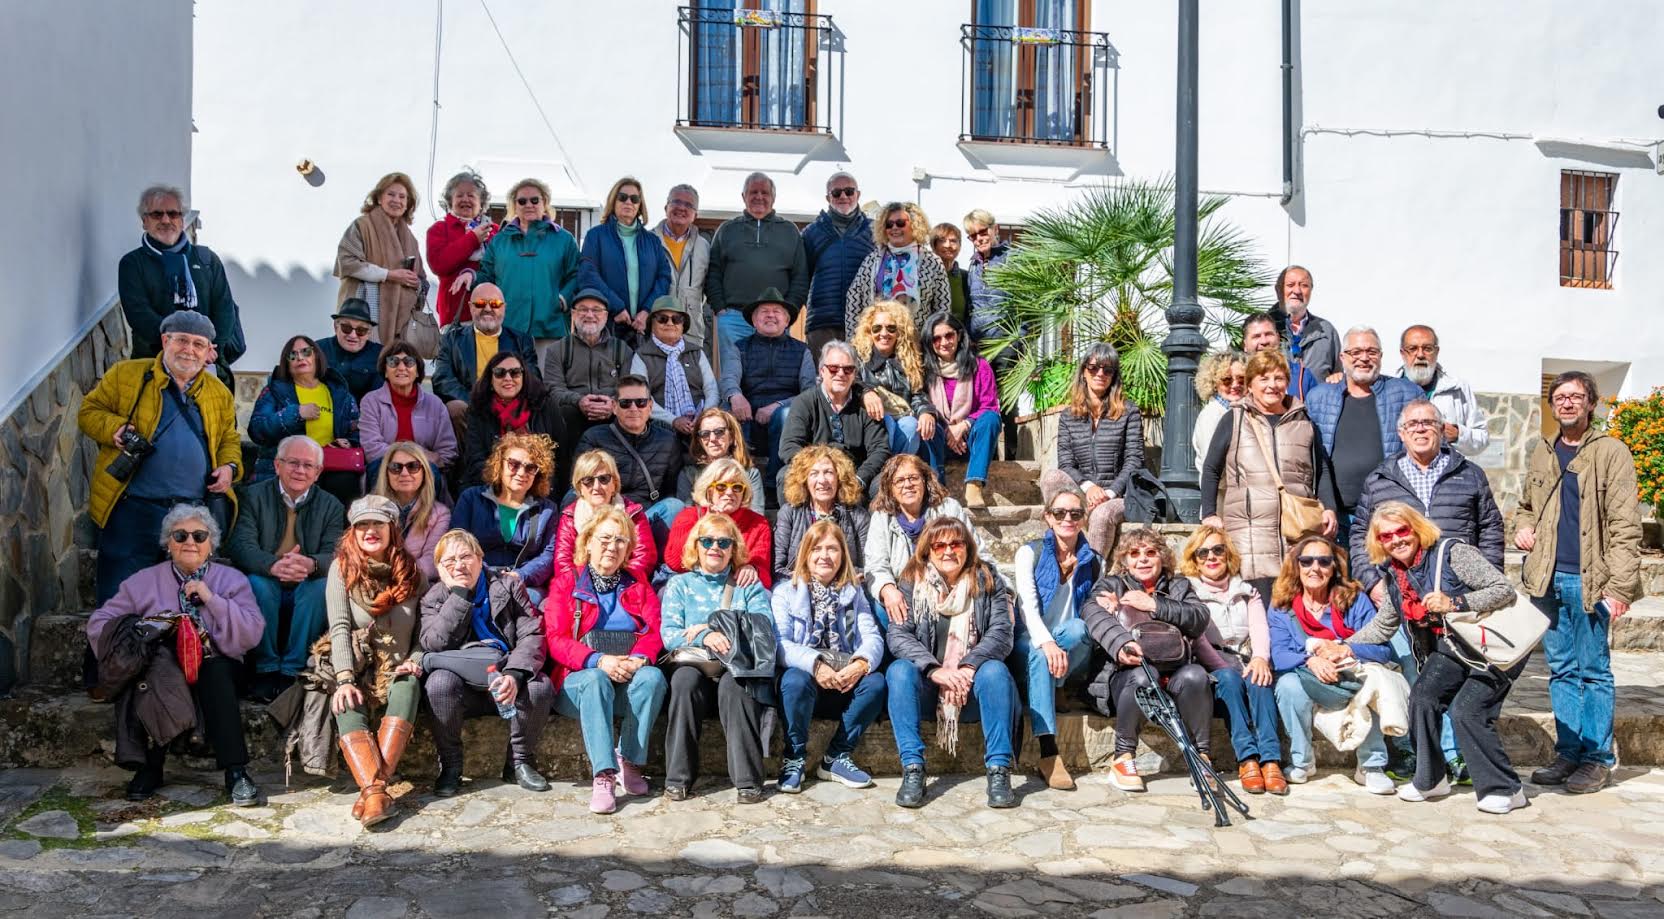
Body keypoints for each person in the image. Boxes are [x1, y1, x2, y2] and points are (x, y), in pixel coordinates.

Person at [1515, 370, 1641, 795]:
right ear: (1552, 406)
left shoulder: (1612, 452)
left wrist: (1620, 587)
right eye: (1560, 397)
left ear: (1592, 403)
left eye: (1575, 397)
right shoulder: (1543, 451)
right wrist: (1523, 527)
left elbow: (1626, 525)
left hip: (1591, 580)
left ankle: (1597, 759)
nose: (1567, 403)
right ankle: (1568, 753)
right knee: (1561, 670)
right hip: (1546, 579)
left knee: (1594, 671)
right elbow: (1525, 506)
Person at [89, 503, 262, 804]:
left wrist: (212, 599)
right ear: (168, 544)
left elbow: (251, 632)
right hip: (167, 665)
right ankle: (150, 768)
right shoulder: (144, 580)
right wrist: (146, 632)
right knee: (158, 669)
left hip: (220, 663)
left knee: (214, 670)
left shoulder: (231, 580)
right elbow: (101, 624)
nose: (190, 542)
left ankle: (235, 771)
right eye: (180, 536)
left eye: (199, 535)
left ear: (212, 543)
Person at [1367, 503, 1529, 814]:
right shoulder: (1397, 574)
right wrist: (1343, 647)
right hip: (1453, 647)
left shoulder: (1452, 553)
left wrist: (1455, 601)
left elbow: (1502, 589)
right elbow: (1384, 624)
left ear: (1417, 529)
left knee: (1467, 710)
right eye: (1386, 536)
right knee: (1423, 698)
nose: (1396, 540)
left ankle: (1507, 789)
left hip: (1494, 647)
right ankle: (1431, 779)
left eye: (1403, 531)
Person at [80, 311, 242, 607]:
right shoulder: (126, 374)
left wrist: (229, 467)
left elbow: (229, 439)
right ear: (165, 340)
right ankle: (112, 652)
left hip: (189, 514)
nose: (188, 350)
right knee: (118, 597)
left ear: (209, 352)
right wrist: (115, 429)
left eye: (198, 344)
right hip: (132, 506)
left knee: (179, 601)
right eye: (181, 340)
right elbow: (88, 413)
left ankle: (168, 655)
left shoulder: (219, 392)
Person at [885, 517, 1019, 809]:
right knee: (898, 672)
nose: (948, 551)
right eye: (939, 545)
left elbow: (1001, 633)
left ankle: (999, 770)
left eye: (955, 544)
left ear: (967, 548)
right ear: (927, 551)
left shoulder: (987, 579)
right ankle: (913, 769)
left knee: (996, 671)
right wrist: (935, 670)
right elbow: (898, 637)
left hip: (971, 691)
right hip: (928, 690)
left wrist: (969, 666)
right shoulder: (911, 582)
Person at [544, 504, 669, 814]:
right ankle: (604, 775)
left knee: (653, 677)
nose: (612, 546)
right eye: (604, 539)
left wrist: (640, 658)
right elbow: (555, 639)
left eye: (620, 540)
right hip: (579, 684)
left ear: (628, 548)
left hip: (627, 677)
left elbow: (655, 631)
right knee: (596, 679)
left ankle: (629, 761)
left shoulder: (638, 583)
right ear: (587, 542)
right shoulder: (566, 584)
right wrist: (598, 660)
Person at [421, 529, 554, 796]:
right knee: (437, 684)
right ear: (440, 569)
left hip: (504, 677)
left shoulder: (507, 585)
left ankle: (520, 762)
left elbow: (532, 633)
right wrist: (458, 596)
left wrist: (515, 674)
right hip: (463, 687)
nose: (459, 565)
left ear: (481, 558)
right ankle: (451, 766)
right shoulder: (434, 597)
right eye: (449, 562)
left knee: (540, 686)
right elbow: (433, 643)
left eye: (466, 557)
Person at [1200, 350, 1338, 605]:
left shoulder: (1304, 421)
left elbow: (1322, 469)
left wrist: (1329, 508)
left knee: (1296, 605)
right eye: (1263, 378)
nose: (1272, 385)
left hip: (1297, 531)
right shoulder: (1234, 419)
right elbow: (1211, 469)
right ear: (1250, 384)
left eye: (1278, 378)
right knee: (1256, 605)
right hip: (1249, 533)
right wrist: (1209, 513)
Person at [1082, 527, 1213, 793]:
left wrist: (1153, 604)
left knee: (1197, 675)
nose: (1142, 559)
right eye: (1134, 554)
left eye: (1150, 553)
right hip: (1128, 674)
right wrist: (1121, 642)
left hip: (1176, 672)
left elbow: (1199, 618)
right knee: (1144, 676)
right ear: (1125, 561)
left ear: (1162, 557)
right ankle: (1123, 757)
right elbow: (1091, 612)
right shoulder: (1112, 585)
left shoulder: (1179, 586)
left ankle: (1202, 755)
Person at [1269, 534, 1402, 790]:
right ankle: (1302, 762)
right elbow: (1279, 655)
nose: (1314, 568)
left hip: (1352, 675)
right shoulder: (1282, 605)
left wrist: (1344, 649)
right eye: (1306, 561)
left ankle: (1371, 766)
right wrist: (1311, 659)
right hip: (1310, 679)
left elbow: (1382, 650)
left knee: (1373, 678)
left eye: (1323, 561)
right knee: (1287, 685)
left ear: (1334, 567)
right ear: (1296, 566)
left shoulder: (1353, 599)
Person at [324, 495, 425, 827]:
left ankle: (372, 793)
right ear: (352, 531)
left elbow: (427, 630)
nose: (370, 531)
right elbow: (339, 626)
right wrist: (344, 677)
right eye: (362, 525)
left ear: (392, 529)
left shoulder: (413, 574)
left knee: (408, 686)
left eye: (377, 524)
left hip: (399, 666)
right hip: (359, 665)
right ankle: (377, 792)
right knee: (346, 700)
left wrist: (415, 659)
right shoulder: (342, 570)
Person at [659, 513, 773, 802]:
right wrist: (703, 637)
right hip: (694, 664)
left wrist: (715, 626)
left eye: (724, 542)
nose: (715, 547)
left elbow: (763, 626)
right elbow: (670, 633)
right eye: (707, 540)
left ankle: (748, 781)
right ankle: (678, 778)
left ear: (733, 549)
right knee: (684, 682)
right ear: (695, 546)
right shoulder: (680, 585)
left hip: (734, 665)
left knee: (735, 686)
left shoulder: (747, 584)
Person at [225, 436, 345, 702]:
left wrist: (311, 563)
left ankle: (292, 670)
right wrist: (274, 565)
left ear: (318, 472)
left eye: (307, 465)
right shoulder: (252, 496)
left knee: (321, 589)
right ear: (277, 465)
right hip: (268, 575)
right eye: (293, 463)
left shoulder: (332, 505)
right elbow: (240, 545)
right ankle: (266, 669)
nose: (300, 471)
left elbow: (335, 553)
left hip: (306, 579)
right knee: (257, 585)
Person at [1351, 400, 1504, 601]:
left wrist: (1486, 580)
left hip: (1459, 595)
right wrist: (1372, 583)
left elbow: (1490, 527)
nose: (1420, 429)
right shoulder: (1379, 480)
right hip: (1401, 594)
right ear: (1401, 434)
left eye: (1428, 423)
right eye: (1412, 424)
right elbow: (1361, 535)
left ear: (1441, 430)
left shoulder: (1470, 474)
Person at [773, 519, 886, 793]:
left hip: (843, 683)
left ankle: (836, 756)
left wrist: (859, 664)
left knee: (876, 682)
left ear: (842, 555)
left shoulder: (853, 593)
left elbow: (871, 637)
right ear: (806, 555)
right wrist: (815, 665)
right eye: (817, 549)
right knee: (794, 679)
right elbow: (780, 644)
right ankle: (795, 758)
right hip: (805, 687)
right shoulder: (785, 592)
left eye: (833, 549)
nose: (825, 556)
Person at [1180, 525, 1287, 796]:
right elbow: (1198, 639)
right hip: (1213, 666)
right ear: (1194, 560)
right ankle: (1247, 758)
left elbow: (1260, 627)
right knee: (1228, 677)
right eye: (1202, 553)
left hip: (1245, 657)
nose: (1211, 557)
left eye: (1218, 550)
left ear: (1228, 554)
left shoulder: (1247, 591)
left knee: (1259, 677)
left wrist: (1261, 657)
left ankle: (1271, 760)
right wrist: (1222, 666)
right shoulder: (1189, 592)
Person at [1011, 482, 1100, 791]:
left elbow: (1090, 608)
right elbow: (1027, 608)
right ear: (1048, 517)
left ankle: (1056, 684)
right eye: (1060, 512)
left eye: (1075, 513)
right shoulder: (1029, 553)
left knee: (1080, 629)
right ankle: (1049, 751)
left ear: (1084, 518)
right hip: (1028, 640)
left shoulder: (1092, 560)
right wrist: (1046, 643)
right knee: (1039, 653)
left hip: (1065, 640)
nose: (1068, 518)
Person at [119, 184, 245, 386]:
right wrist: (180, 350)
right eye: (157, 214)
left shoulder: (207, 260)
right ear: (144, 221)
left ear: (182, 218)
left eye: (173, 214)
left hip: (207, 363)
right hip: (155, 365)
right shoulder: (132, 264)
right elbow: (139, 315)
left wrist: (207, 350)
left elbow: (224, 310)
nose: (166, 220)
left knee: (211, 417)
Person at [865, 453, 990, 628]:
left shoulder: (949, 508)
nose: (907, 484)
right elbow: (876, 565)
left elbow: (978, 552)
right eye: (899, 481)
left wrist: (1004, 591)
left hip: (949, 590)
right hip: (905, 595)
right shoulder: (882, 518)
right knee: (879, 609)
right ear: (890, 488)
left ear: (925, 481)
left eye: (913, 478)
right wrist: (887, 589)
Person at [1043, 343, 1144, 555]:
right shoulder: (1069, 416)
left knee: (1100, 514)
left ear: (1114, 376)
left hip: (1119, 495)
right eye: (1093, 368)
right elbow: (1066, 462)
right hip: (1084, 492)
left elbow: (1134, 460)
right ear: (1083, 372)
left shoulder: (1129, 411)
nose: (1100, 374)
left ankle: (1092, 572)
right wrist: (1089, 487)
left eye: (1108, 370)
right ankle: (1060, 550)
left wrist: (1108, 492)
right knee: (1051, 477)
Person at [704, 172, 809, 371]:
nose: (759, 197)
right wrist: (719, 308)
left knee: (773, 375)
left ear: (773, 197)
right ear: (743, 196)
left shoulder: (789, 231)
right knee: (734, 375)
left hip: (775, 319)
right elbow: (714, 272)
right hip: (734, 318)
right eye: (753, 192)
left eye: (764, 192)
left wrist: (789, 312)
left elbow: (800, 276)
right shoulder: (727, 230)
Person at [469, 177, 582, 359]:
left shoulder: (564, 239)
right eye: (522, 201)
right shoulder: (500, 240)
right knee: (508, 383)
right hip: (507, 327)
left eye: (534, 200)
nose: (528, 204)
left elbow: (576, 274)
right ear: (514, 205)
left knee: (547, 385)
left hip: (550, 327)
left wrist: (562, 299)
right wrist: (471, 277)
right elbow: (486, 276)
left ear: (544, 202)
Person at [248, 334, 361, 507]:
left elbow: (356, 428)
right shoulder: (274, 391)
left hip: (330, 469)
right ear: (287, 363)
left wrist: (348, 441)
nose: (300, 357)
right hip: (287, 470)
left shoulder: (339, 392)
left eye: (306, 352)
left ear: (316, 356)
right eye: (292, 355)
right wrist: (296, 414)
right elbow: (257, 430)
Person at [720, 288, 817, 489]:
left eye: (777, 311)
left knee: (785, 415)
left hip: (785, 415)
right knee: (726, 411)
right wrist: (735, 396)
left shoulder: (802, 351)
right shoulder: (739, 347)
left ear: (787, 320)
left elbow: (809, 391)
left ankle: (775, 485)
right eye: (764, 311)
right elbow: (729, 377)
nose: (771, 315)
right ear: (754, 321)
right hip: (747, 412)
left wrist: (778, 406)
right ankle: (738, 483)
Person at [575, 374, 686, 545]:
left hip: (645, 519)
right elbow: (579, 486)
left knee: (674, 505)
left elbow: (670, 489)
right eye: (626, 403)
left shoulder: (668, 440)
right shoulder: (594, 438)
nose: (634, 408)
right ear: (614, 406)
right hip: (606, 520)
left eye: (640, 402)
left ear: (650, 406)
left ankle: (659, 566)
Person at [451, 431, 560, 604]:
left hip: (524, 583)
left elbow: (548, 555)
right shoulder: (471, 499)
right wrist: (487, 575)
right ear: (499, 465)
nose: (522, 472)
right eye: (514, 464)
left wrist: (520, 575)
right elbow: (456, 543)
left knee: (531, 602)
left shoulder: (547, 510)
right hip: (476, 578)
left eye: (530, 468)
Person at [778, 340, 892, 496]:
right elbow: (789, 447)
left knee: (881, 482)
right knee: (785, 475)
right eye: (833, 368)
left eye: (848, 369)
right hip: (815, 474)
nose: (840, 374)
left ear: (854, 374)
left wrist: (859, 478)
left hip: (856, 474)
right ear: (822, 371)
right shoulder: (805, 402)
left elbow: (880, 449)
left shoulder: (867, 404)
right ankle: (798, 520)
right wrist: (819, 470)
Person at [434, 282, 541, 445]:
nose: (488, 309)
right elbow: (442, 380)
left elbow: (533, 378)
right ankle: (465, 465)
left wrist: (505, 403)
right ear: (470, 307)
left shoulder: (521, 340)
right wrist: (478, 402)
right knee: (455, 408)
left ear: (504, 307)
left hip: (510, 405)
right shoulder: (451, 340)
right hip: (470, 406)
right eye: (480, 303)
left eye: (495, 304)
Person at [545, 288, 634, 481]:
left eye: (596, 310)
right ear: (573, 313)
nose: (590, 315)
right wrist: (579, 401)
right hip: (572, 419)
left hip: (611, 416)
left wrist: (613, 404)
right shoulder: (557, 350)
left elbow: (630, 389)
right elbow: (553, 389)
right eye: (583, 309)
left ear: (606, 315)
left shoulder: (622, 350)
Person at [333, 172, 427, 346]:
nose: (396, 200)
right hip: (364, 310)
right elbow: (347, 262)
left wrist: (416, 283)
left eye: (402, 197)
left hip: (400, 319)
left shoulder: (411, 239)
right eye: (390, 194)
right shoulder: (361, 226)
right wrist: (389, 275)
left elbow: (421, 278)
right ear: (379, 198)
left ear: (408, 204)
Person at [920, 314, 1002, 508]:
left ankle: (974, 484)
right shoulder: (924, 370)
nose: (944, 342)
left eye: (949, 335)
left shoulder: (979, 366)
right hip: (938, 439)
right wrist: (948, 430)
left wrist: (964, 425)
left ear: (959, 336)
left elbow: (989, 405)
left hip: (971, 443)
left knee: (991, 419)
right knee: (925, 421)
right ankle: (937, 488)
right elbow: (920, 401)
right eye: (936, 338)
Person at [580, 176, 673, 344]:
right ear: (613, 201)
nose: (628, 202)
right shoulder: (595, 236)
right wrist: (616, 307)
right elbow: (588, 275)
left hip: (642, 327)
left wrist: (647, 311)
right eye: (622, 197)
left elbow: (664, 276)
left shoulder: (652, 241)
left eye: (634, 199)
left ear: (640, 205)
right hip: (608, 323)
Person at [548, 450, 657, 583]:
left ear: (614, 484)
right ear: (579, 488)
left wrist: (614, 583)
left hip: (625, 585)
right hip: (581, 588)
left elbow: (644, 558)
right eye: (588, 480)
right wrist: (587, 586)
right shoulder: (569, 518)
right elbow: (563, 563)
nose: (596, 486)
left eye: (604, 479)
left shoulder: (633, 515)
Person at [459, 350, 564, 488]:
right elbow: (475, 459)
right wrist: (507, 482)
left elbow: (561, 454)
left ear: (524, 377)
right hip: (492, 484)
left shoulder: (544, 405)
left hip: (538, 485)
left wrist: (532, 482)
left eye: (515, 372)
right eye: (499, 373)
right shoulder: (478, 410)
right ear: (490, 379)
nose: (508, 378)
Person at [358, 340, 458, 485]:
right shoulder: (371, 401)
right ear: (385, 370)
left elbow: (448, 453)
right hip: (384, 470)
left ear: (417, 371)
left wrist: (414, 464)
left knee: (432, 472)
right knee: (379, 467)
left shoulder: (435, 404)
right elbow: (372, 449)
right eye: (393, 362)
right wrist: (412, 456)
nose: (401, 367)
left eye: (408, 362)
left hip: (425, 473)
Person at [664, 459, 773, 588]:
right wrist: (705, 522)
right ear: (709, 491)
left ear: (744, 493)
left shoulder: (758, 523)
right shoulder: (689, 516)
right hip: (694, 587)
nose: (729, 492)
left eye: (737, 487)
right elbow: (675, 563)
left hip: (734, 589)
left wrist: (753, 569)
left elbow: (765, 578)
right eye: (721, 486)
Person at [773, 445, 871, 586]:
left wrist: (834, 578)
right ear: (804, 481)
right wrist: (812, 579)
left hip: (845, 588)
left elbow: (868, 568)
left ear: (840, 478)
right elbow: (778, 569)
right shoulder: (789, 513)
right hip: (797, 587)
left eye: (829, 472)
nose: (822, 480)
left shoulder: (858, 516)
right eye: (814, 474)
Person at [846, 202, 950, 333]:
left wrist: (936, 341)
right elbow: (853, 298)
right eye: (889, 224)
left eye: (900, 223)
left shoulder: (932, 262)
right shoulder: (873, 260)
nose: (894, 228)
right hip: (878, 340)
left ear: (914, 224)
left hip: (916, 342)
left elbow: (942, 307)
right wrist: (853, 338)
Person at [802, 172, 874, 356]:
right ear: (828, 197)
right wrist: (815, 305)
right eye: (836, 193)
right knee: (824, 378)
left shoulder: (874, 231)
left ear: (858, 194)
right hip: (822, 323)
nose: (843, 196)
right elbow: (801, 278)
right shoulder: (811, 233)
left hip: (864, 322)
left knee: (861, 380)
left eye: (849, 191)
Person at [851, 301, 933, 460]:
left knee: (911, 425)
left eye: (891, 328)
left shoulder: (910, 359)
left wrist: (925, 412)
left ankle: (897, 470)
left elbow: (918, 393)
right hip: (871, 419)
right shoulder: (857, 356)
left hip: (902, 416)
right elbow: (850, 382)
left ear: (899, 332)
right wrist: (866, 392)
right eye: (877, 328)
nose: (884, 333)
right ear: (869, 331)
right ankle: (879, 470)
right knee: (886, 421)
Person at [629, 296, 718, 436]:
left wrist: (704, 417)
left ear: (683, 325)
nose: (670, 323)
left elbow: (711, 389)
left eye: (676, 319)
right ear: (652, 324)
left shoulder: (696, 352)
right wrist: (673, 420)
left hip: (701, 423)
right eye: (662, 319)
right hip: (659, 426)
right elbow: (641, 397)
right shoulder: (641, 356)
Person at [1398, 324, 1489, 457]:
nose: (1420, 355)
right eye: (1412, 349)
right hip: (1399, 473)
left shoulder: (1457, 389)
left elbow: (1482, 438)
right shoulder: (1388, 390)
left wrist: (1458, 435)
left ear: (1437, 352)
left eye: (1427, 349)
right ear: (1403, 353)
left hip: (1446, 474)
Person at [372, 440, 452, 581]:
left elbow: (432, 562)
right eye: (396, 467)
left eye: (413, 466)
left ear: (424, 472)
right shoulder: (371, 508)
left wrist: (397, 573)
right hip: (372, 580)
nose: (404, 473)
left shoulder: (440, 513)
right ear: (386, 473)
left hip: (414, 584)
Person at [426, 171, 498, 326]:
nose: (465, 199)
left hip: (491, 312)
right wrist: (472, 239)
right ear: (450, 201)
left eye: (471, 195)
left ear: (481, 202)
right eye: (459, 195)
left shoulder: (495, 231)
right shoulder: (440, 229)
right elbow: (439, 264)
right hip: (456, 314)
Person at [652, 184, 713, 356]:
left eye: (688, 205)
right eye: (676, 202)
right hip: (656, 327)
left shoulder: (704, 247)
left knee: (689, 381)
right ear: (666, 207)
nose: (681, 208)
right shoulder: (649, 240)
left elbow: (708, 288)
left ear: (695, 215)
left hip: (691, 332)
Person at [677, 408, 765, 514]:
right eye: (705, 434)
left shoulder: (750, 474)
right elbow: (686, 516)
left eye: (719, 432)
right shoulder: (689, 475)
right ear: (699, 440)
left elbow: (757, 517)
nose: (712, 438)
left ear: (732, 437)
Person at [1268, 265, 1340, 383]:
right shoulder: (1260, 329)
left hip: (1315, 401)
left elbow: (1337, 375)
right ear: (1278, 290)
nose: (1297, 291)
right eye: (1290, 285)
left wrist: (1338, 378)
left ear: (1311, 290)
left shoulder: (1326, 330)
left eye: (1304, 285)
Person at [963, 209, 1011, 361]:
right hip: (978, 347)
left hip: (1007, 346)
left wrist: (1019, 340)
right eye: (973, 236)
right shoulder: (974, 265)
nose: (979, 238)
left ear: (995, 229)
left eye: (983, 232)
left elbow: (1031, 305)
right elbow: (971, 307)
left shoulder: (1013, 258)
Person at [315, 299, 385, 403]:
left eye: (361, 330)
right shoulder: (317, 349)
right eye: (346, 328)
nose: (353, 335)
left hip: (363, 416)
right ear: (335, 327)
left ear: (369, 333)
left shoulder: (380, 354)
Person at [1242, 312, 1318, 401]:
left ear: (1278, 338)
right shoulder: (1237, 380)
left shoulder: (1302, 376)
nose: (1264, 341)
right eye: (1256, 336)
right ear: (1245, 345)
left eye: (1268, 334)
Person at [1193, 350, 1247, 476]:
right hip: (1223, 492)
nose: (1235, 385)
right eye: (1227, 380)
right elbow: (1212, 467)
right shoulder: (1210, 416)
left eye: (1241, 380)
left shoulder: (1244, 410)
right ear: (1214, 383)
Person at [930, 222, 971, 324]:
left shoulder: (966, 277)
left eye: (953, 241)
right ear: (934, 245)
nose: (948, 245)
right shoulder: (926, 275)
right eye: (942, 240)